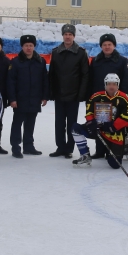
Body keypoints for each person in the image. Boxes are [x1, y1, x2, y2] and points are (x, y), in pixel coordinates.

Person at [70, 73, 128, 168]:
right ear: (105, 84)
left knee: (115, 165)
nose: (111, 86)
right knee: (76, 128)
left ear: (118, 85)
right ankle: (85, 155)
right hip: (99, 130)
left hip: (115, 133)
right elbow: (89, 113)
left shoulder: (125, 98)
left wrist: (112, 126)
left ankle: (124, 146)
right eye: (109, 84)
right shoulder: (96, 96)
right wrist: (92, 123)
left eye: (114, 84)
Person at [48, 24, 89, 158]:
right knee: (59, 123)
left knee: (71, 123)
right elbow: (52, 73)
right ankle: (60, 147)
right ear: (63, 36)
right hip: (59, 93)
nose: (68, 36)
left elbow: (84, 75)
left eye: (70, 34)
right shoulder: (56, 52)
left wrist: (81, 94)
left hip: (73, 95)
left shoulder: (80, 53)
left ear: (74, 36)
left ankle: (69, 149)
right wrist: (51, 91)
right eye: (65, 34)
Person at [87, 33, 128, 158]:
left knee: (113, 125)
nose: (107, 47)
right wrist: (89, 96)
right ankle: (100, 150)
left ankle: (113, 149)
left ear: (114, 45)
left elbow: (126, 80)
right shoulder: (95, 60)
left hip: (116, 99)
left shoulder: (122, 61)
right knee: (100, 123)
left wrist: (124, 98)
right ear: (101, 46)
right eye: (104, 45)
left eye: (109, 44)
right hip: (99, 98)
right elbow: (90, 79)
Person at [7, 34, 49, 158]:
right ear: (22, 47)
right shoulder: (15, 62)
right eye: (26, 46)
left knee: (30, 123)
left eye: (31, 45)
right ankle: (15, 147)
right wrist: (12, 99)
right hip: (20, 99)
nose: (28, 48)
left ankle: (28, 146)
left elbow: (44, 80)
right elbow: (10, 82)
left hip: (34, 98)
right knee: (17, 124)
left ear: (34, 46)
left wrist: (45, 96)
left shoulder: (40, 61)